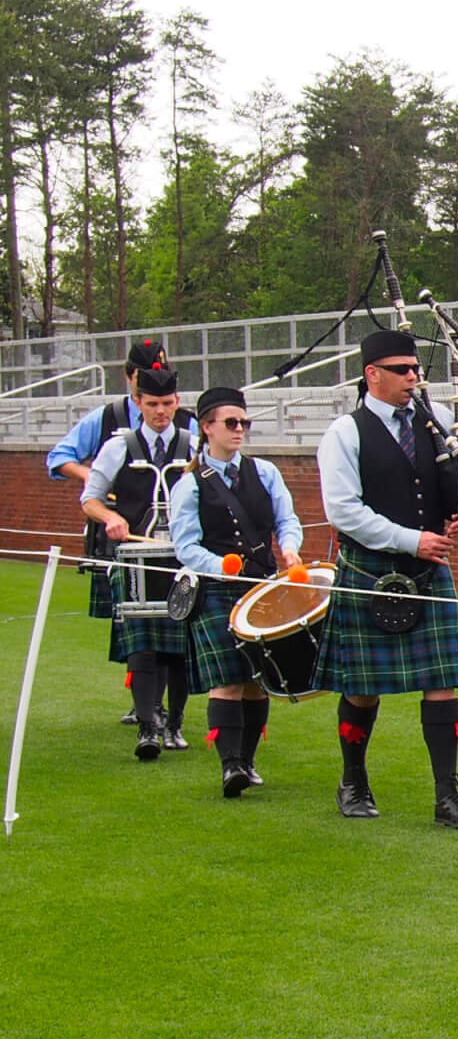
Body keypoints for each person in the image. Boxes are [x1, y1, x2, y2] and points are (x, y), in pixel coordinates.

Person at [312, 328, 458, 828]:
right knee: (363, 687)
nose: (414, 379)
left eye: (416, 370)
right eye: (403, 371)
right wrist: (412, 540)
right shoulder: (344, 433)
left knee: (443, 682)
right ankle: (353, 780)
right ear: (373, 375)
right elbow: (343, 511)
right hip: (371, 570)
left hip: (428, 573)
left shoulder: (437, 422)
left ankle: (447, 797)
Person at [167, 386, 304, 798]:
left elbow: (287, 519)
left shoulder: (265, 473)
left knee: (257, 680)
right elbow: (185, 546)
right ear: (207, 427)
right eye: (231, 423)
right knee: (226, 679)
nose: (240, 429)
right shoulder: (189, 485)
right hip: (215, 592)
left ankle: (247, 761)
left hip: (264, 588)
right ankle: (230, 767)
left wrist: (291, 549)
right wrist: (219, 567)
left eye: (244, 422)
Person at [49, 338, 192, 714]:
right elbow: (58, 457)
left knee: (173, 625)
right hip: (124, 535)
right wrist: (97, 478)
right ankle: (146, 709)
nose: (160, 408)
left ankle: (164, 714)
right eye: (145, 381)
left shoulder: (188, 426)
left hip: (176, 541)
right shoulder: (107, 417)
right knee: (138, 626)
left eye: (165, 394)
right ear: (130, 378)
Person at [78, 364, 196, 757]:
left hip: (183, 557)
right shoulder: (118, 447)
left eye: (167, 403)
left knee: (180, 646)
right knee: (143, 646)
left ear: (177, 403)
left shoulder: (193, 447)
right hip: (137, 559)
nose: (160, 411)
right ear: (138, 402)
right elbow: (89, 499)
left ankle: (175, 724)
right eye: (151, 404)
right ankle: (148, 728)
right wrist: (110, 517)